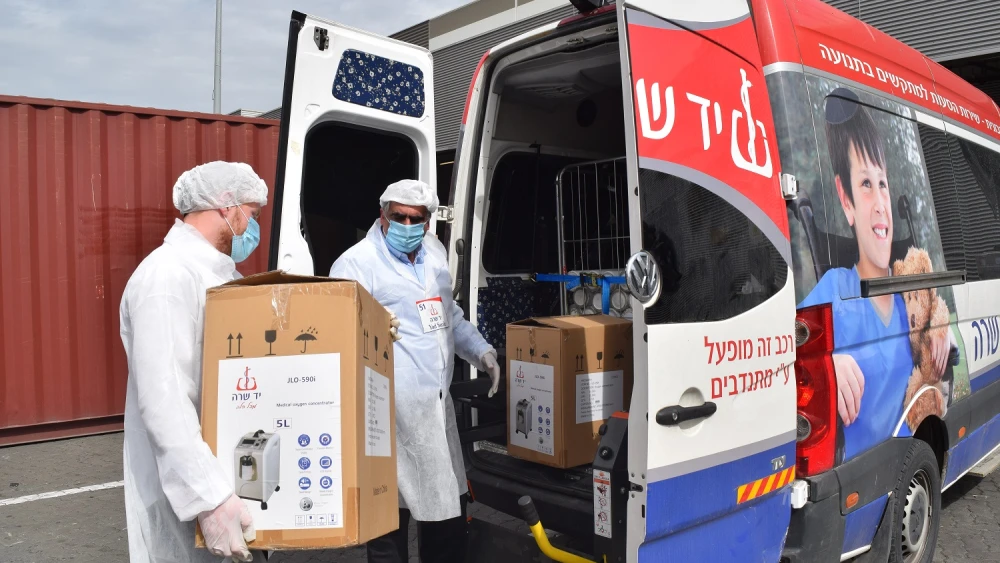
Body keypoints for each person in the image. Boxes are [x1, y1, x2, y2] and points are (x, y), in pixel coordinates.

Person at [329, 179, 501, 563]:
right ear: (383, 215)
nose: (406, 226)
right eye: (398, 217)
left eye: (415, 219)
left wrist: (481, 352)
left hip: (433, 415)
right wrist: (369, 326)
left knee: (443, 517)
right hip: (386, 416)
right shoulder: (355, 263)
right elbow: (335, 335)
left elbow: (448, 315)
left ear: (427, 224)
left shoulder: (435, 256)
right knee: (389, 526)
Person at [119, 161, 269, 563]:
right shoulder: (165, 278)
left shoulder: (221, 277)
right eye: (252, 214)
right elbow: (163, 399)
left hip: (227, 480)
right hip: (190, 497)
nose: (254, 228)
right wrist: (210, 499)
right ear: (226, 205)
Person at [798, 89, 949, 460]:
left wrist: (943, 330)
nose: (881, 203)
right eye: (866, 184)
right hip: (852, 468)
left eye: (882, 183)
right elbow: (774, 347)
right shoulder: (834, 288)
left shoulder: (911, 301)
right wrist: (823, 362)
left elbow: (947, 357)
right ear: (845, 200)